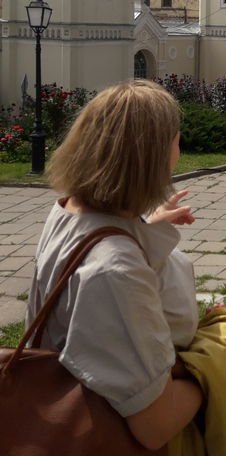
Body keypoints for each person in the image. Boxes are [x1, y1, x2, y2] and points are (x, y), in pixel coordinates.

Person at [26, 81, 204, 451]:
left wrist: (142, 223)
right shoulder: (115, 270)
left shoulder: (67, 212)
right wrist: (217, 372)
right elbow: (155, 423)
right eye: (176, 141)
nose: (179, 151)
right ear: (151, 159)